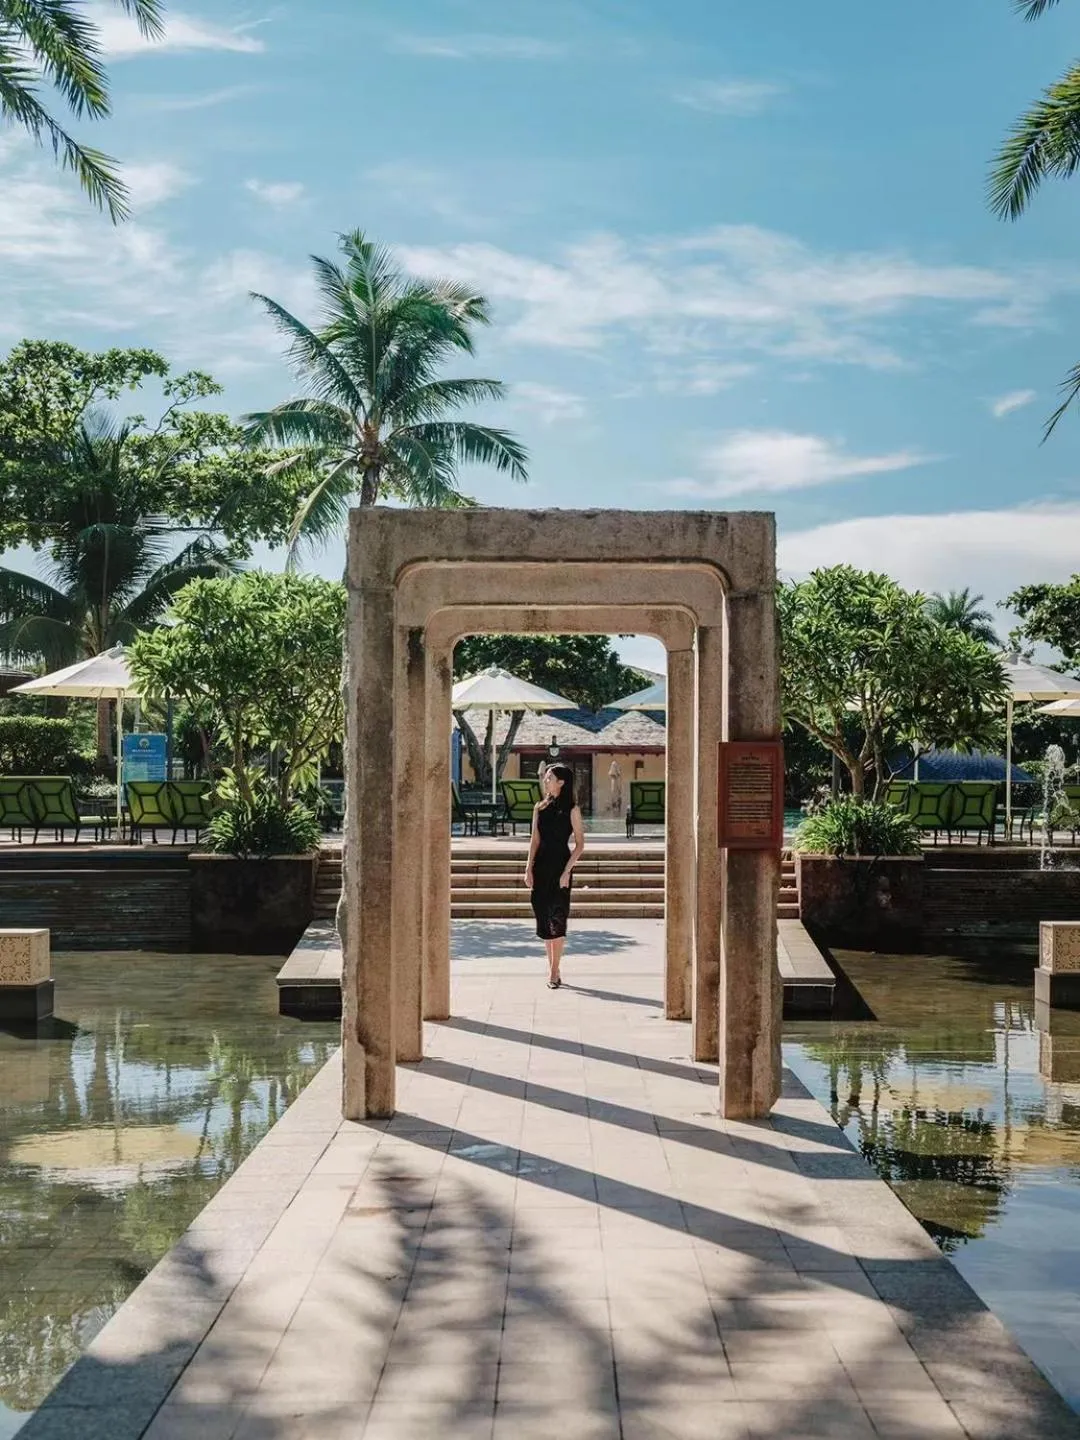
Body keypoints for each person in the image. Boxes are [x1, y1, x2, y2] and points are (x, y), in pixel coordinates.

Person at [525, 762, 585, 989]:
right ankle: (554, 968)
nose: (545, 780)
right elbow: (535, 840)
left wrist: (566, 872)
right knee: (544, 919)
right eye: (546, 777)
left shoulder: (573, 809)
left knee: (557, 919)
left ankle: (553, 972)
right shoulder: (539, 808)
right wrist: (528, 868)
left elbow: (580, 845)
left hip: (561, 866)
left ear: (561, 782)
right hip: (541, 867)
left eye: (549, 777)